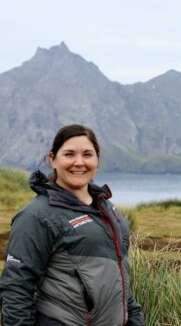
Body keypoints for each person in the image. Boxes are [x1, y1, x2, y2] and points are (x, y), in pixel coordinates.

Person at [0, 124, 145, 326]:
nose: (79, 162)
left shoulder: (111, 214)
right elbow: (16, 288)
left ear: (97, 160)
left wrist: (136, 320)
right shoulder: (36, 216)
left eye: (87, 154)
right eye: (69, 154)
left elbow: (121, 283)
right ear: (53, 160)